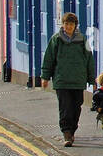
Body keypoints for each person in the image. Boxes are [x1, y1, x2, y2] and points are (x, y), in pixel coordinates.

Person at [41, 13, 96, 147]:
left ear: (75, 26)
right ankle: (66, 133)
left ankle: (72, 130)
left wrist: (91, 79)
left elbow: (89, 59)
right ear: (63, 24)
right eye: (66, 24)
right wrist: (45, 77)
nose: (68, 27)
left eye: (71, 24)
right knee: (65, 107)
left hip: (78, 80)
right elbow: (49, 58)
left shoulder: (82, 40)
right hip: (62, 80)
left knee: (76, 107)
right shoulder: (56, 40)